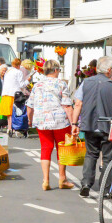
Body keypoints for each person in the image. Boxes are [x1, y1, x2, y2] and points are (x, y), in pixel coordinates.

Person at [70, 55, 112, 197]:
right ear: (108, 70)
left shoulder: (85, 82)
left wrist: (75, 123)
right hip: (108, 126)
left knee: (91, 154)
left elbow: (78, 104)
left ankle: (86, 184)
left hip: (89, 125)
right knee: (108, 157)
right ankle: (104, 189)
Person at [26, 59, 74, 191]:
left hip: (42, 121)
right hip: (60, 121)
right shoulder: (61, 84)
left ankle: (46, 180)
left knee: (45, 148)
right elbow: (67, 105)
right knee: (61, 149)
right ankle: (62, 179)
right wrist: (74, 123)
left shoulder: (37, 85)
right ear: (56, 70)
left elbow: (30, 106)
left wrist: (30, 120)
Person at [1, 58, 29, 136]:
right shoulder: (18, 72)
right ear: (18, 65)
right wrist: (28, 80)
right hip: (15, 94)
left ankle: (9, 128)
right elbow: (21, 84)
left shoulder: (8, 71)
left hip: (6, 93)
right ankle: (16, 128)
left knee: (9, 113)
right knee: (16, 112)